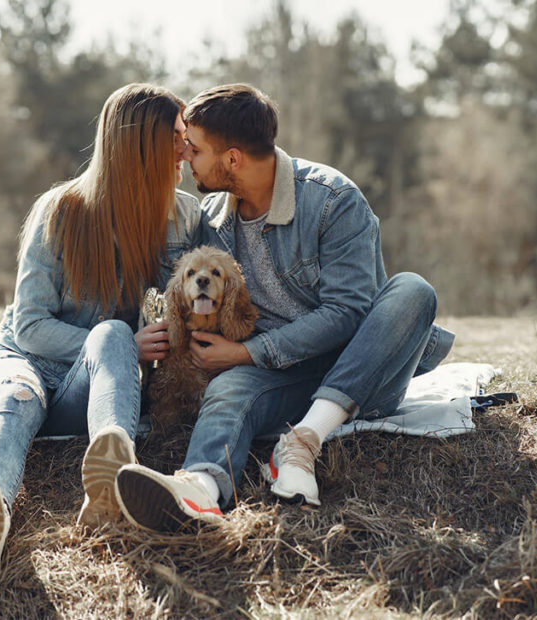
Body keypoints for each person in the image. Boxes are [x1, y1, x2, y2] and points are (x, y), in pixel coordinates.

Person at [114, 84, 455, 532]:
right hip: (277, 375)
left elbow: (348, 312)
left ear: (232, 159)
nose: (184, 157)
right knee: (228, 390)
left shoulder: (333, 200)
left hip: (359, 369)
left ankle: (303, 442)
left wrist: (246, 353)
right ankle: (199, 486)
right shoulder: (212, 218)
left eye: (193, 150)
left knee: (414, 291)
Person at [0, 83, 198, 577]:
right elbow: (30, 326)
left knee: (108, 333)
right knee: (16, 398)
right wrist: (130, 343)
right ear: (140, 144)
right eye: (174, 135)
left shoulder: (180, 215)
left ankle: (110, 475)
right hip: (22, 361)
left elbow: (182, 302)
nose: (185, 148)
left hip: (88, 386)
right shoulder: (61, 211)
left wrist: (135, 344)